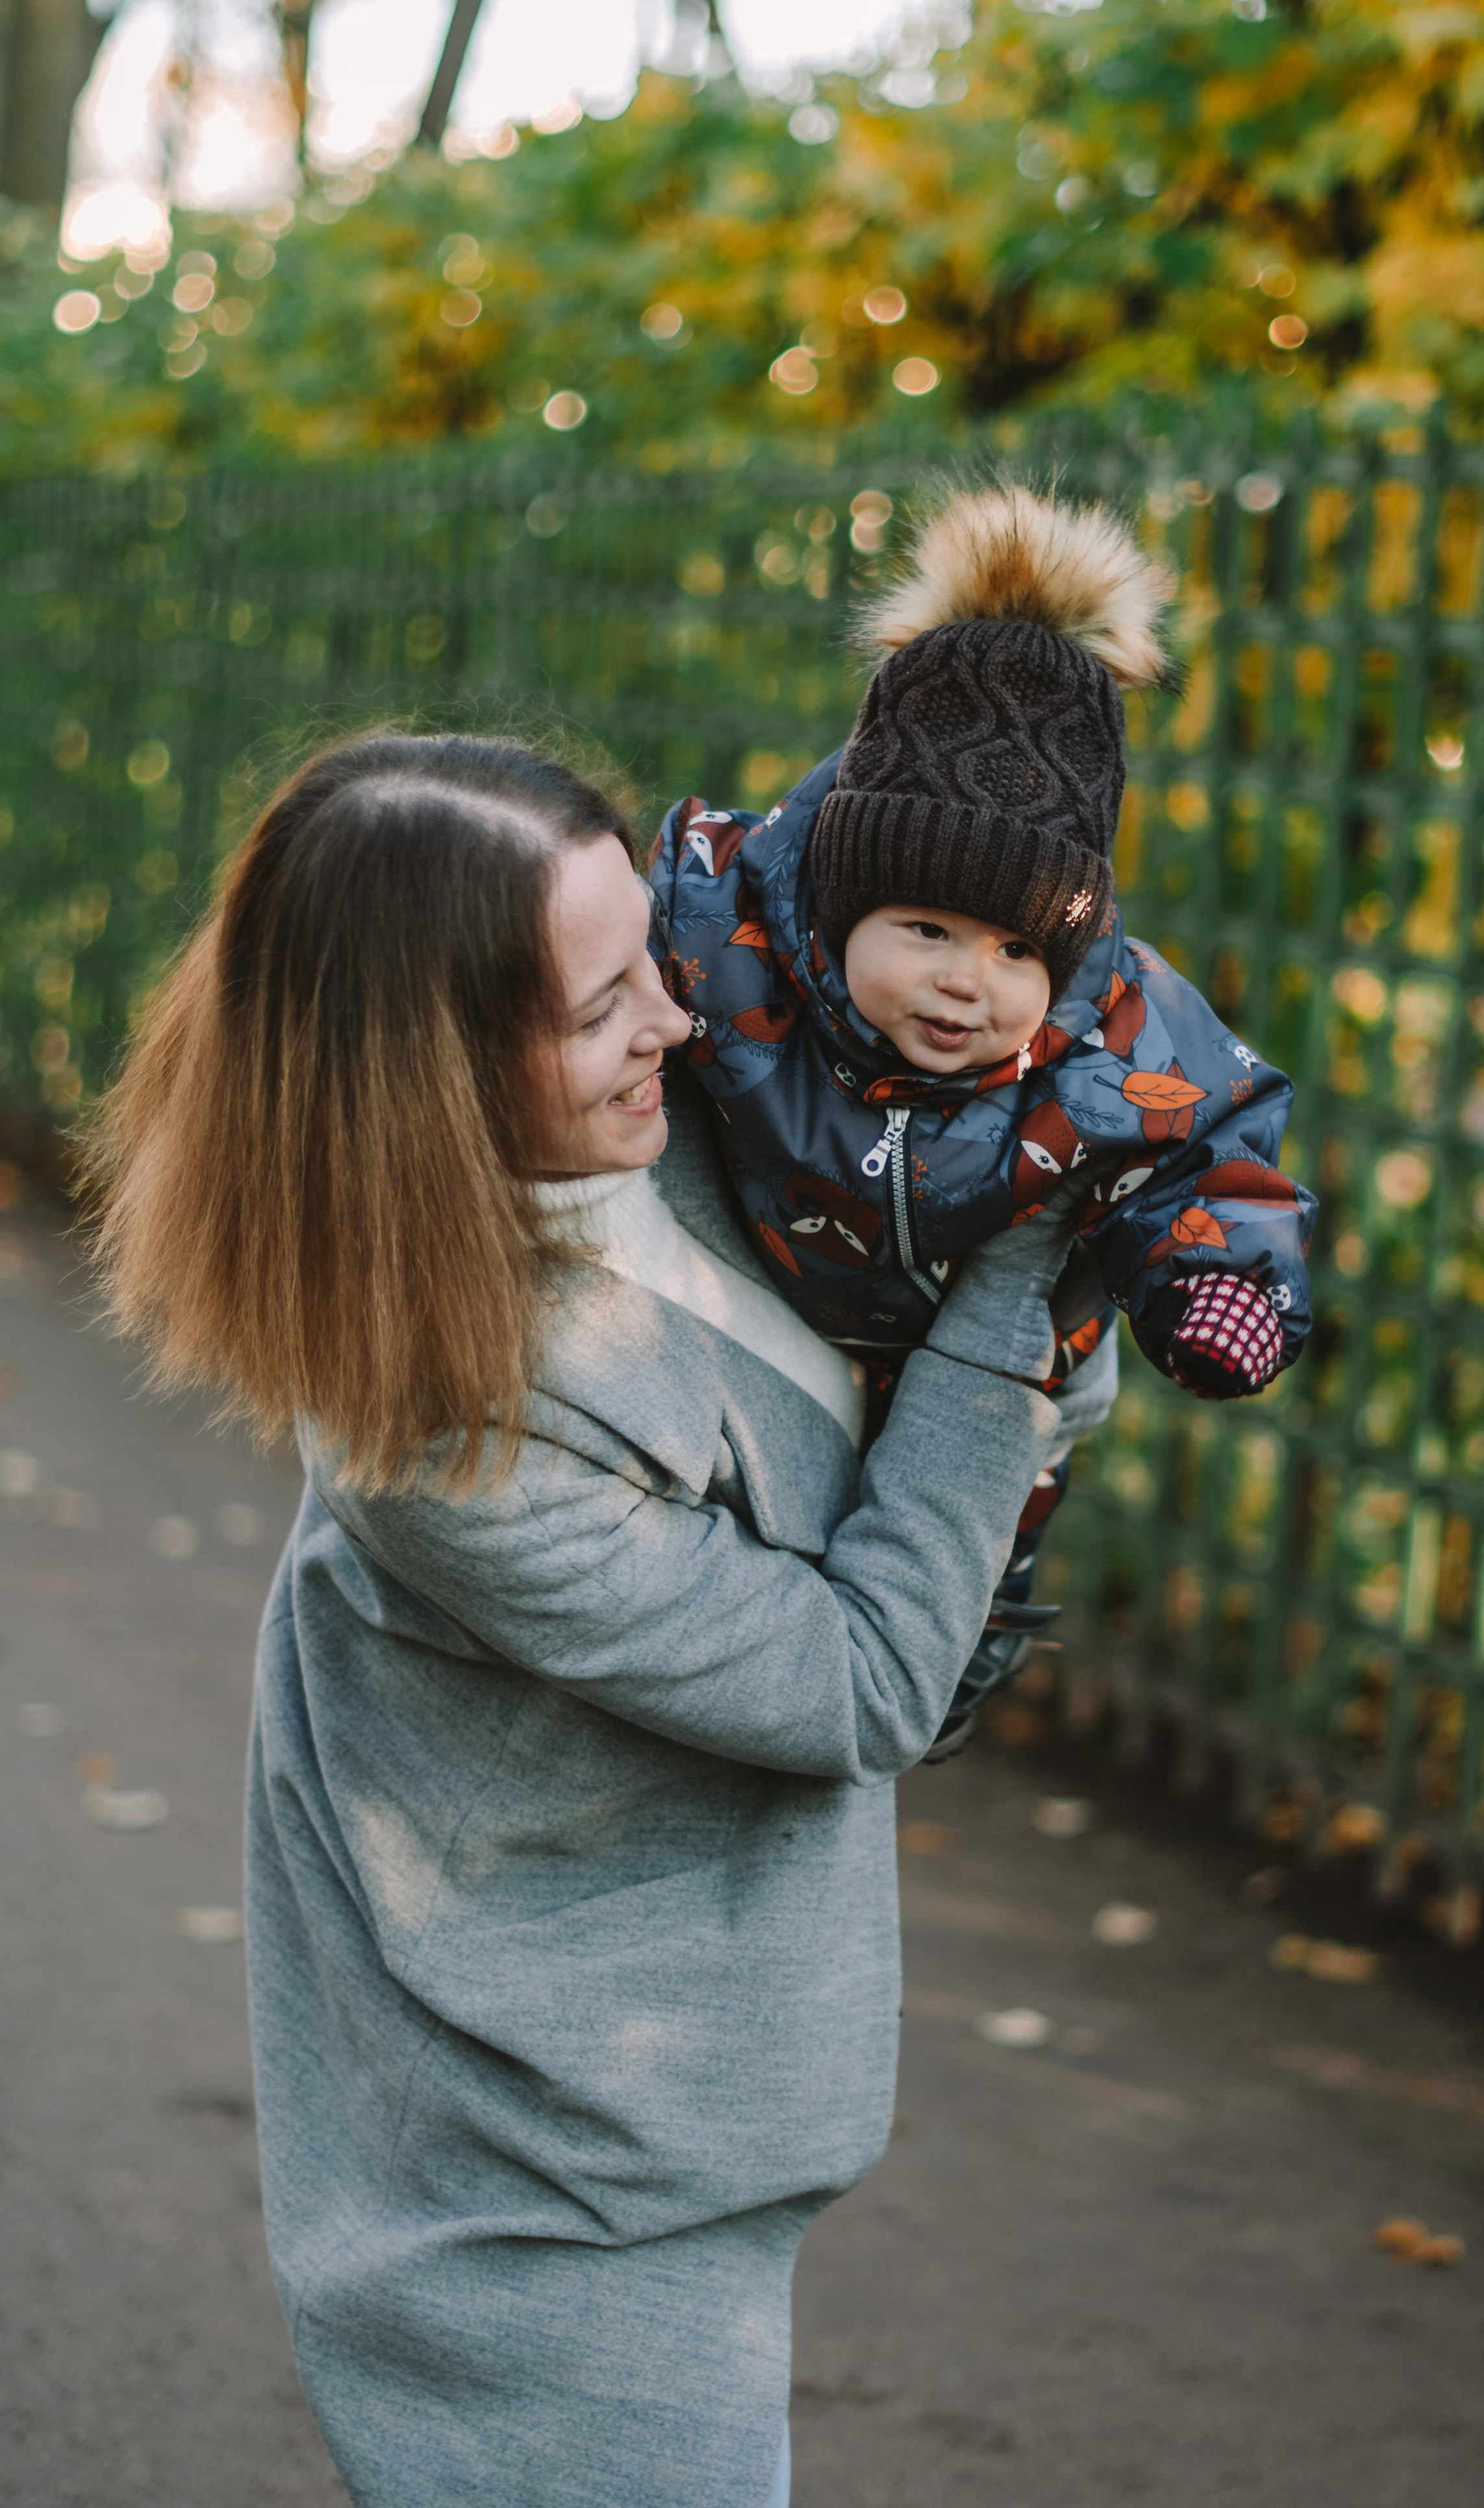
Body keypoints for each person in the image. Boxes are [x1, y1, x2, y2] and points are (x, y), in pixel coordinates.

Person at [79, 731, 1110, 2508]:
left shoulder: (686, 1125)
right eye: (601, 1001)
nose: (682, 1019)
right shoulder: (445, 1432)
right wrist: (1034, 1281)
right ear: (424, 1078)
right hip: (542, 2213)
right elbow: (860, 1677)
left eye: (655, 953)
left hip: (676, 2136)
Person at [650, 484, 1318, 1751]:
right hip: (769, 1298)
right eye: (925, 931)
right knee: (751, 1496)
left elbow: (1212, 1148)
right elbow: (585, 963)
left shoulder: (1108, 1028)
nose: (970, 980)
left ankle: (959, 1649)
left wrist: (1208, 1276)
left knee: (999, 1488)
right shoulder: (716, 932)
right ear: (839, 897)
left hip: (984, 1346)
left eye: (1019, 946)